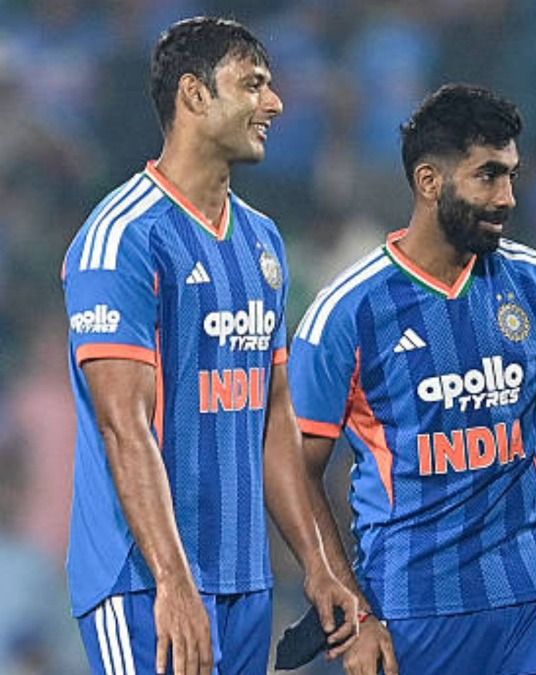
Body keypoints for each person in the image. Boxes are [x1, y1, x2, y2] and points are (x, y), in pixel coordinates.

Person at [286, 83, 536, 675]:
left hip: (532, 597)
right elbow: (295, 473)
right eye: (488, 176)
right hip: (415, 611)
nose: (508, 197)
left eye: (512, 176)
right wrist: (353, 613)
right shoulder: (349, 312)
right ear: (429, 182)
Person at [61, 17, 358, 675]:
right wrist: (172, 580)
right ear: (194, 96)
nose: (274, 103)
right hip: (144, 583)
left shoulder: (264, 242)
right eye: (252, 84)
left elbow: (274, 414)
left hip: (244, 581)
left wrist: (316, 563)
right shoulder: (122, 239)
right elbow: (124, 426)